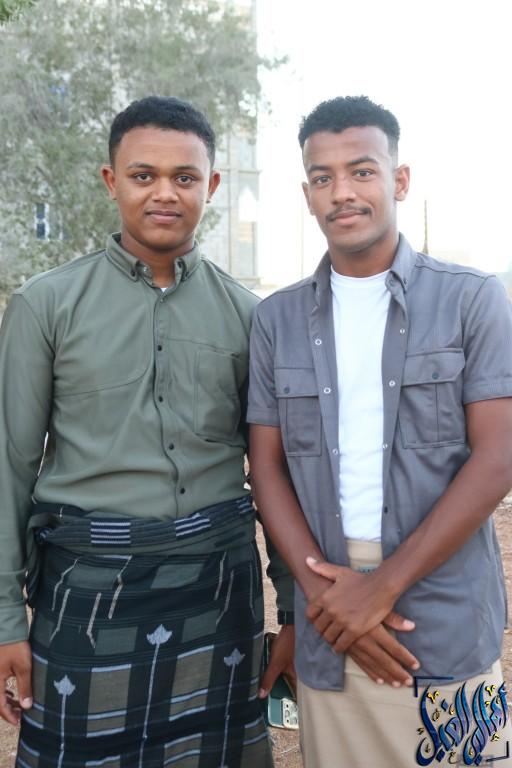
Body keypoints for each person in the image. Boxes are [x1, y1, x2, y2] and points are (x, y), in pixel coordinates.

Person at [0, 95, 294, 768]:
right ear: (112, 181)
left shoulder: (250, 316)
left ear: (210, 185)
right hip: (87, 596)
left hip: (221, 595)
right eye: (143, 175)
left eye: (184, 177)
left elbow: (274, 472)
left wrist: (294, 611)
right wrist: (5, 620)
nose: (165, 193)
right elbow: (10, 467)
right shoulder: (47, 305)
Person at [247, 95, 512, 767]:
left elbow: (499, 456)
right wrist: (329, 600)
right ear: (307, 194)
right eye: (323, 177)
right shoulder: (275, 321)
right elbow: (267, 466)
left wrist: (382, 588)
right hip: (328, 620)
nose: (342, 191)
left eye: (361, 171)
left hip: (445, 616)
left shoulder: (471, 299)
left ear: (399, 180)